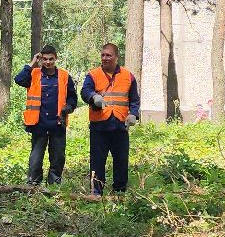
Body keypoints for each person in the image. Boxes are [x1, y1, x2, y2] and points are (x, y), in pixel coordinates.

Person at [80, 42, 140, 196]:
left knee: (121, 161)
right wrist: (93, 96)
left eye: (108, 55)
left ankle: (119, 191)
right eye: (103, 55)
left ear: (116, 57)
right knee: (97, 162)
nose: (105, 58)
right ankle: (96, 193)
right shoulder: (93, 75)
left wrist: (133, 114)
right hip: (99, 126)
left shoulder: (128, 76)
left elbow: (134, 99)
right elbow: (85, 91)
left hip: (120, 126)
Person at [13, 45, 75, 186]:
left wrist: (68, 108)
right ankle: (33, 184)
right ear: (41, 59)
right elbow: (18, 79)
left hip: (58, 124)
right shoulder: (34, 74)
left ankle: (54, 185)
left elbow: (73, 98)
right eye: (45, 59)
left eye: (51, 59)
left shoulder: (64, 76)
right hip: (38, 124)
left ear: (56, 58)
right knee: (36, 159)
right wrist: (32, 62)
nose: (48, 62)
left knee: (58, 157)